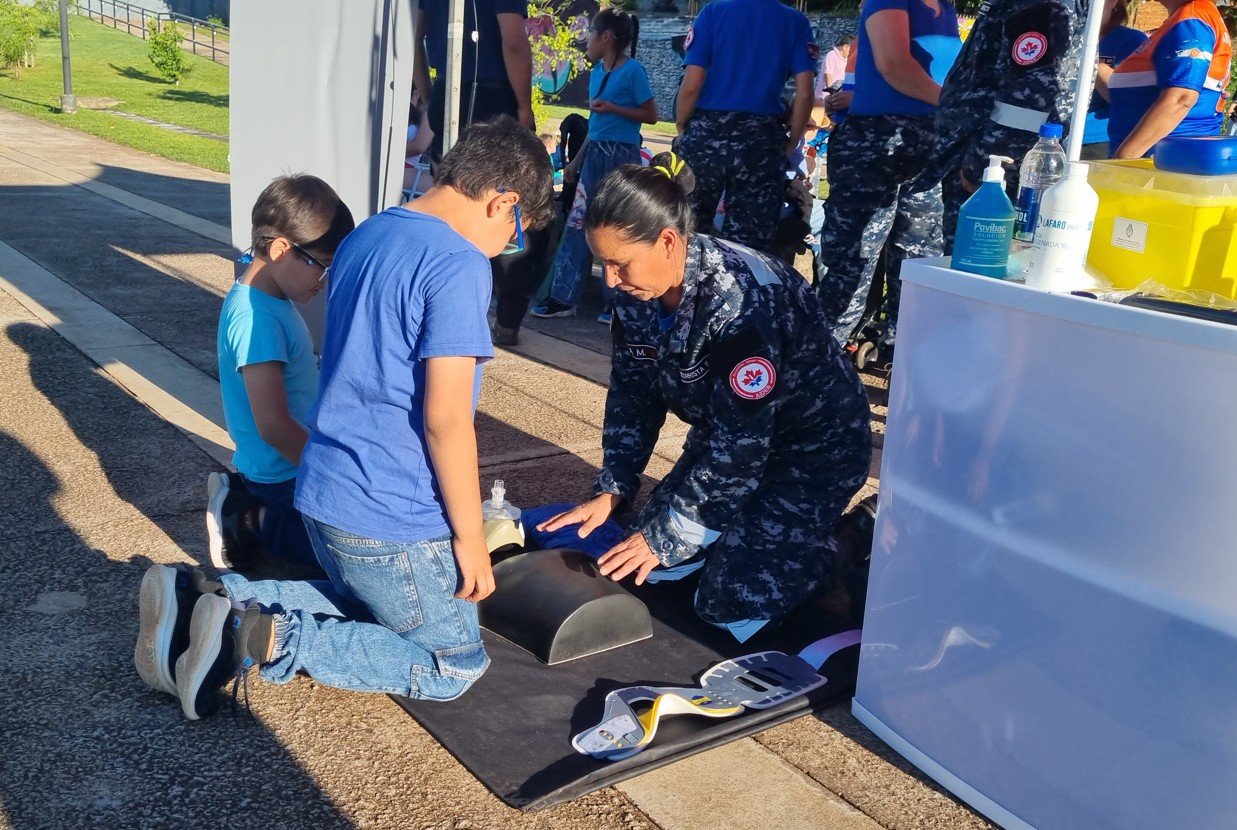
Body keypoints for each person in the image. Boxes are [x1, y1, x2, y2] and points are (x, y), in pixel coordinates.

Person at [134, 119, 555, 720]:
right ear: (502, 202)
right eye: (516, 233)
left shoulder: (371, 232)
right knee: (453, 663)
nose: (507, 246)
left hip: (324, 494)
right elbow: (445, 420)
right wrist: (469, 540)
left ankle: (208, 597)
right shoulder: (459, 264)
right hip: (393, 514)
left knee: (366, 607)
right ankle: (252, 636)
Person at [538, 154, 872, 640]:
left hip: (812, 451)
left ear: (667, 241)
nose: (609, 280)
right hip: (728, 437)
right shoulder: (639, 291)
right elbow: (634, 394)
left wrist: (667, 534)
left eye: (619, 263)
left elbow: (742, 451)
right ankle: (745, 535)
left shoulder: (741, 303)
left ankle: (848, 536)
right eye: (601, 263)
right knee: (654, 567)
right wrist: (615, 488)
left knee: (730, 600)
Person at [208, 175, 355, 572]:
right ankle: (248, 518)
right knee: (340, 557)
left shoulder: (271, 302)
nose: (326, 280)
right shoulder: (257, 319)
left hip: (291, 462)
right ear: (280, 250)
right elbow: (273, 424)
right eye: (322, 265)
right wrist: (325, 473)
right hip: (281, 477)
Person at [815, 0, 961, 351]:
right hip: (876, 145)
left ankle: (903, 352)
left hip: (926, 147)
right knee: (854, 259)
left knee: (918, 259)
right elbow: (893, 65)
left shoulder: (945, 8)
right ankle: (822, 356)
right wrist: (955, 105)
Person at [414, 0, 549, 347]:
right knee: (509, 210)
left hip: (447, 90)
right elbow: (514, 41)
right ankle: (506, 319)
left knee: (447, 204)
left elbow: (416, 35)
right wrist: (524, 107)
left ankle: (441, 310)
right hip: (491, 96)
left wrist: (430, 96)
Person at [532, 9, 657, 322]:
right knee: (578, 224)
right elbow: (596, 124)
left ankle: (616, 304)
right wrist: (576, 160)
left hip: (622, 156)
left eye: (590, 33)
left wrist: (614, 108)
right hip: (594, 154)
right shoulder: (598, 72)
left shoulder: (633, 71)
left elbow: (651, 115)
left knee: (617, 228)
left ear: (606, 37)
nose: (586, 40)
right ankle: (563, 297)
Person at [933, 0, 1085, 252]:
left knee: (975, 262)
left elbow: (1028, 100)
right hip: (993, 162)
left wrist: (984, 169)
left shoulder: (1037, 4)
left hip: (1001, 173)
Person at [675, 0, 818, 253]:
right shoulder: (795, 22)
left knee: (685, 232)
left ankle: (686, 277)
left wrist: (682, 125)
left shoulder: (712, 13)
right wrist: (792, 141)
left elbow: (692, 83)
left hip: (707, 133)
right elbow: (805, 94)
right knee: (748, 244)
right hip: (761, 140)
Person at [1102, 0, 1231, 159]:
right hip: (1164, 156)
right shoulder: (1191, 17)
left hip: (1163, 159)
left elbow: (1181, 98)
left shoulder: (1192, 19)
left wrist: (1124, 158)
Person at [1079, 0, 1148, 160]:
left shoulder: (1131, 41)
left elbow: (1123, 98)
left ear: (1114, 3)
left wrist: (1091, 60)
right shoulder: (1056, 35)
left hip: (1096, 139)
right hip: (1050, 131)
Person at [817, 35, 855, 102]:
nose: (852, 53)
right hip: (825, 98)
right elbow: (828, 76)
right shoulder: (832, 55)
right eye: (852, 50)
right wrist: (832, 95)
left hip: (836, 97)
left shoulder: (845, 59)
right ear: (845, 47)